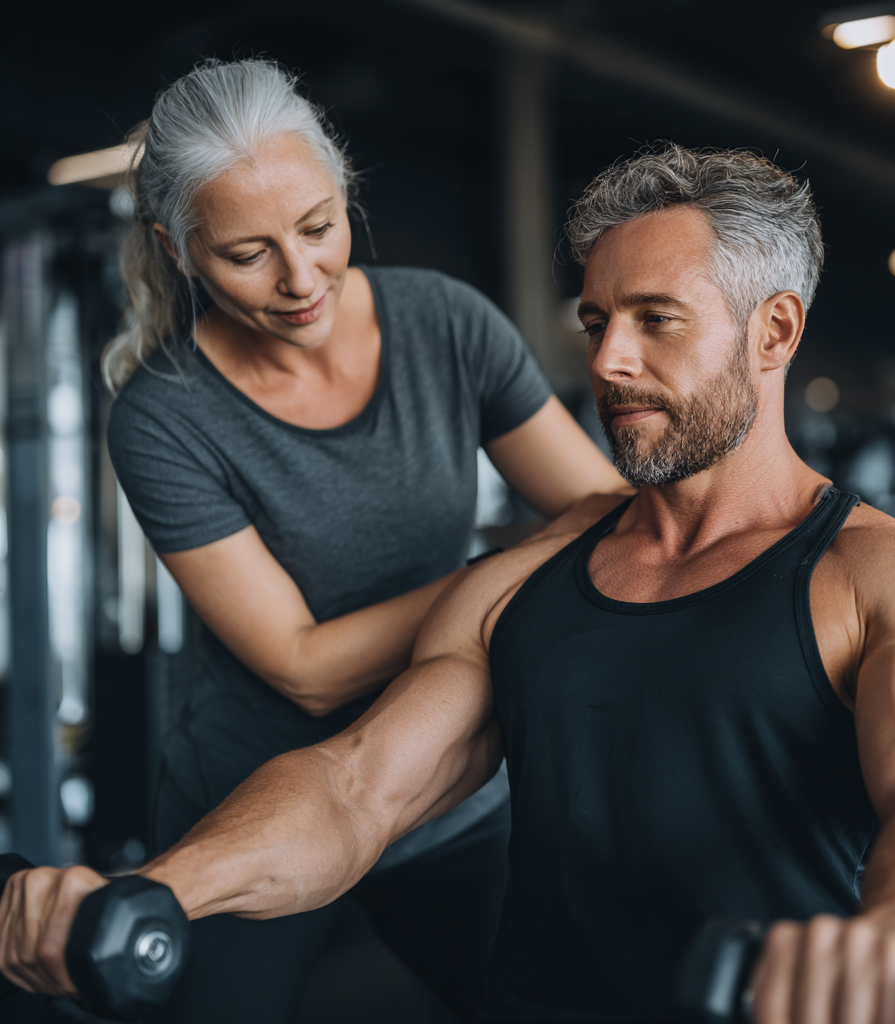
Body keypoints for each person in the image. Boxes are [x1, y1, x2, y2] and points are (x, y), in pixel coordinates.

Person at [2, 146, 895, 1024]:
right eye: (596, 321)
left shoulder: (890, 580)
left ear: (775, 331)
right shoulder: (519, 586)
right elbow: (355, 788)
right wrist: (155, 885)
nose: (608, 361)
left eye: (656, 320)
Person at [92, 58, 625, 1023]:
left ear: (345, 194)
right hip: (253, 803)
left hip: (446, 781)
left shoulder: (447, 323)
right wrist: (511, 570)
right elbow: (305, 667)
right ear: (179, 249)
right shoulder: (161, 420)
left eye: (318, 227)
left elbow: (605, 510)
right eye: (247, 254)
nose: (301, 280)